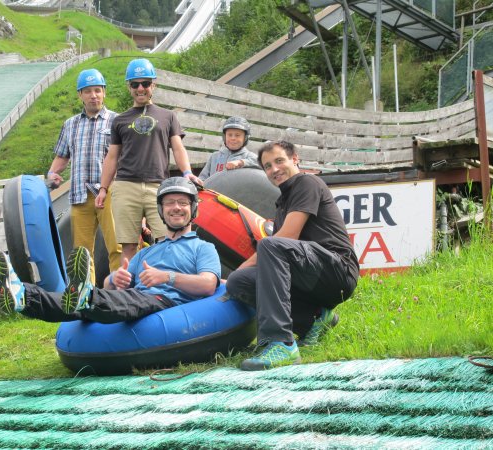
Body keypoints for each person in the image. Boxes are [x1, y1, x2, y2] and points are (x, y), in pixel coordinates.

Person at [0, 178, 221, 324]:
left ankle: (84, 297)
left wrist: (167, 277)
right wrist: (115, 279)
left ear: (193, 209)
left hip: (166, 303)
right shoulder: (146, 253)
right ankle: (22, 296)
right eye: (170, 203)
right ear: (161, 210)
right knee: (78, 306)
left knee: (124, 299)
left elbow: (209, 284)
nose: (176, 208)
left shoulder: (202, 247)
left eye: (182, 202)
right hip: (132, 298)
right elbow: (111, 286)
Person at [226, 140, 359, 371]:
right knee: (240, 283)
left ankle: (281, 343)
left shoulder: (307, 183)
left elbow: (287, 237)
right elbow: (276, 250)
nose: (274, 169)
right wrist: (235, 275)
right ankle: (315, 318)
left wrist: (249, 260)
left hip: (338, 271)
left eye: (279, 161)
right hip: (310, 277)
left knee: (271, 244)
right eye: (267, 166)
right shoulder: (282, 203)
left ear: (295, 159)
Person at [95, 58, 202, 264]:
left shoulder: (168, 116)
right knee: (127, 245)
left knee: (166, 239)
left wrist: (187, 173)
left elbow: (178, 147)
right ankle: (129, 293)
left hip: (158, 186)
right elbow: (112, 156)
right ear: (129, 87)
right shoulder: (120, 120)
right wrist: (103, 188)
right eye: (135, 84)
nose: (140, 88)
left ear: (154, 85)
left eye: (145, 83)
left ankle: (165, 289)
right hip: (126, 186)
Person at [46, 68, 121, 287]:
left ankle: (121, 292)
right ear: (80, 95)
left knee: (116, 245)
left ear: (104, 92)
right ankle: (86, 295)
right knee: (81, 251)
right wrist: (53, 173)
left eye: (97, 90)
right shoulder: (70, 124)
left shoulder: (117, 121)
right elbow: (62, 156)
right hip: (80, 195)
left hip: (109, 193)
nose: (93, 95)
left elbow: (124, 157)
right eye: (87, 91)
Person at [199, 116, 261, 181]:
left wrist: (240, 162)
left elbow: (261, 163)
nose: (233, 138)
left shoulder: (248, 156)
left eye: (237, 135)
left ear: (245, 138)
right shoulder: (215, 156)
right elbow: (203, 178)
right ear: (224, 137)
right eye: (229, 135)